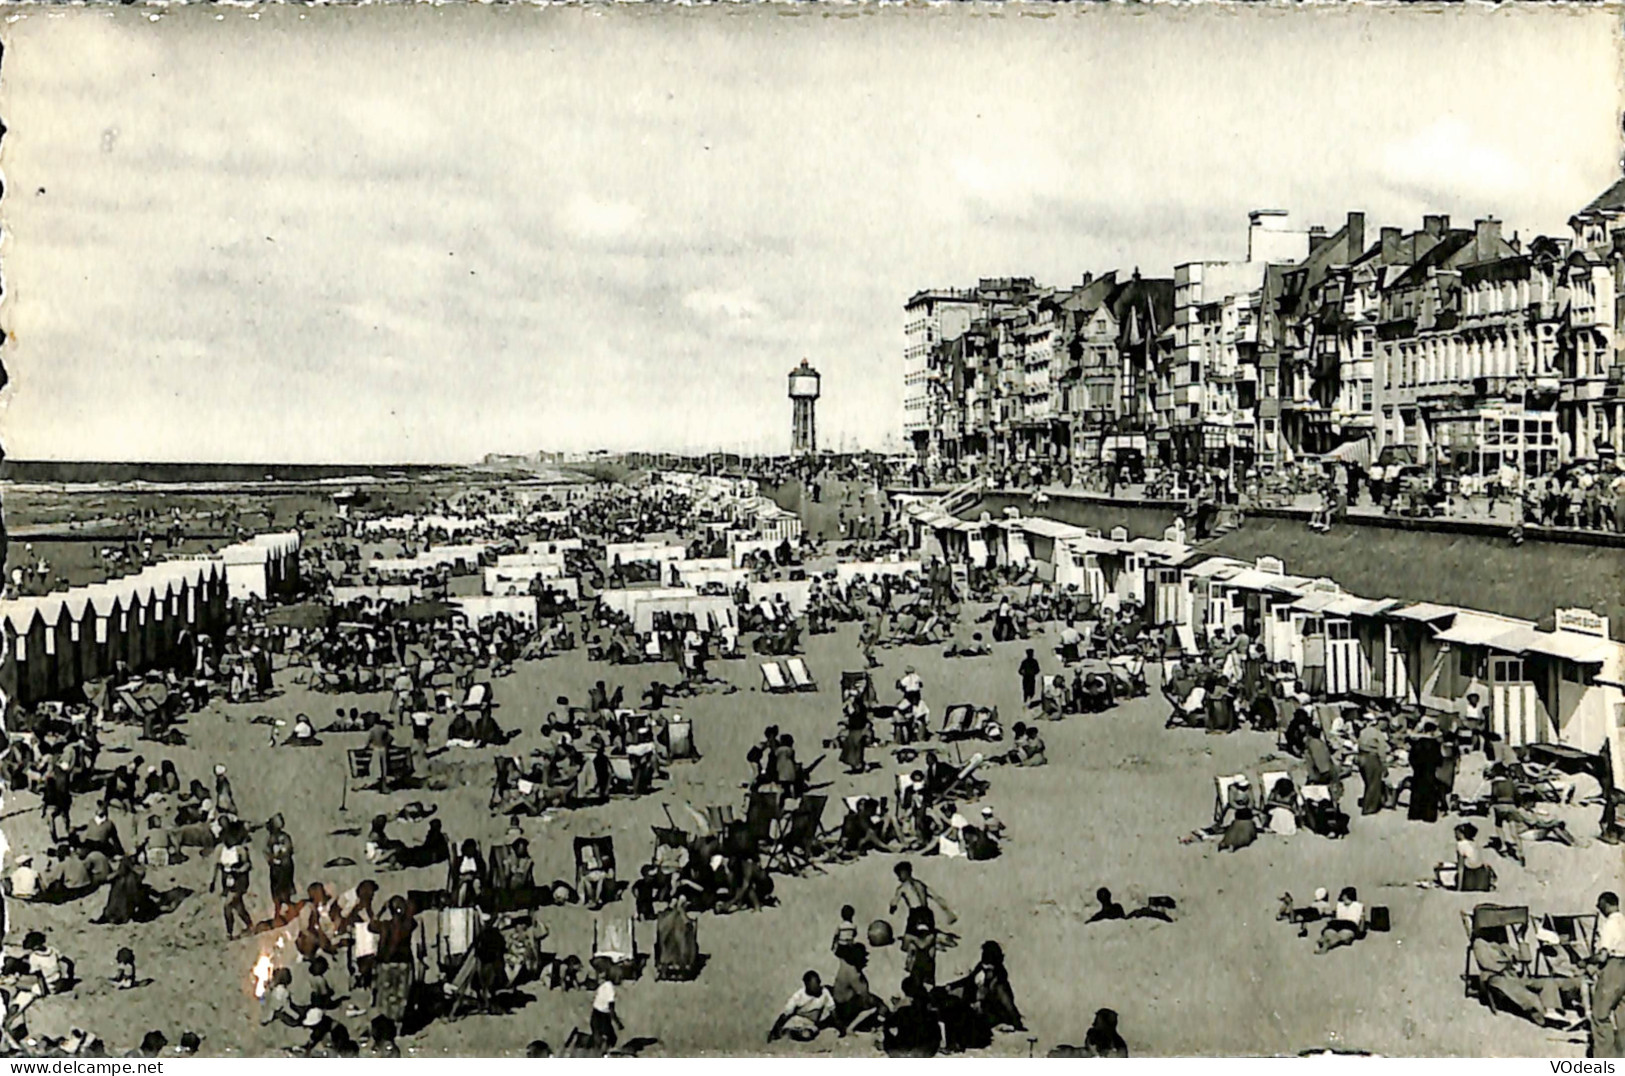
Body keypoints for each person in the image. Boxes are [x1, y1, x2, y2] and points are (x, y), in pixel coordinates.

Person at [1592, 891, 1625, 1056]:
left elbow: (1603, 955)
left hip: (1613, 967)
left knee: (1600, 1015)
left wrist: (1587, 961)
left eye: (1600, 904)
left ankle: (1604, 1061)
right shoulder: (1624, 922)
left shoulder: (1610, 924)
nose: (1599, 908)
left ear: (1605, 903)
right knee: (1622, 1016)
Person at [768, 970, 836, 1043]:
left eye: (817, 984)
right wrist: (774, 1031)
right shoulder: (798, 996)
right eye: (813, 986)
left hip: (810, 1023)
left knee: (807, 1034)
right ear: (806, 985)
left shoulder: (824, 993)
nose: (816, 988)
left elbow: (833, 1011)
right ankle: (789, 1032)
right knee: (792, 1029)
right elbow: (785, 1015)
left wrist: (840, 1027)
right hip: (795, 1021)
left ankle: (793, 1033)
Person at [890, 861, 956, 933]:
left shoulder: (902, 888)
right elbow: (935, 897)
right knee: (929, 932)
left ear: (904, 873)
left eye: (899, 874)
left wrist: (892, 908)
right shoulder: (921, 884)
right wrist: (947, 911)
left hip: (915, 914)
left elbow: (894, 902)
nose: (898, 877)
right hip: (927, 912)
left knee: (910, 934)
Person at [264, 815, 297, 922]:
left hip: (284, 867)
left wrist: (279, 857)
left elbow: (288, 850)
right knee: (276, 891)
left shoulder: (285, 838)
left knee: (285, 890)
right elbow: (266, 852)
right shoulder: (270, 839)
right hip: (276, 868)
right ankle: (278, 913)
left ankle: (288, 911)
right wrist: (272, 859)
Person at [1315, 887, 1364, 954]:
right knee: (1339, 937)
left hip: (1339, 923)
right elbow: (1361, 923)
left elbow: (1334, 916)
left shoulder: (1340, 905)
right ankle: (1327, 945)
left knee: (1330, 935)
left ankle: (1322, 942)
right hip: (1349, 925)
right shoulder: (1359, 906)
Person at [590, 963, 624, 1052]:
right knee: (611, 1038)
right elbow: (611, 1009)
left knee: (598, 1036)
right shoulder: (611, 990)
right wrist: (618, 1022)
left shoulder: (604, 985)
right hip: (603, 1016)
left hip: (595, 1013)